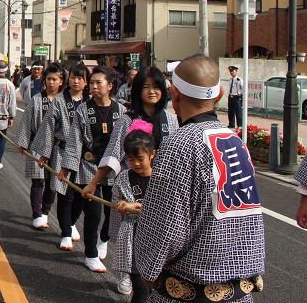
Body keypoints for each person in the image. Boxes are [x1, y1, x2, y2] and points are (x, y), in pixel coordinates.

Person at [135, 55, 265, 302]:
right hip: (240, 287)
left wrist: (149, 269)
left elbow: (164, 224)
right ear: (218, 95)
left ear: (174, 93)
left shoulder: (180, 144)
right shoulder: (237, 142)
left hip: (191, 288)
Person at [60, 65, 122, 273]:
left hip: (114, 168)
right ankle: (90, 255)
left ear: (110, 86)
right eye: (92, 82)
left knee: (113, 211)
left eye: (99, 82)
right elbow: (74, 141)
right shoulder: (83, 110)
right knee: (93, 212)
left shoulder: (121, 111)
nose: (94, 86)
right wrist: (67, 167)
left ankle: (104, 239)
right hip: (89, 165)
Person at [81, 66, 179, 197]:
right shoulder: (127, 119)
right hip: (131, 187)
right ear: (138, 90)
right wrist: (93, 183)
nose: (151, 91)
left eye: (156, 87)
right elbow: (113, 154)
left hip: (163, 187)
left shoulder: (171, 120)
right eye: (146, 87)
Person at [32, 63, 90, 251]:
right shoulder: (59, 100)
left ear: (86, 82)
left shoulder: (90, 102)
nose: (76, 81)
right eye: (73, 77)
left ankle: (71, 222)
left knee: (82, 194)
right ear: (68, 80)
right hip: (62, 150)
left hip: (86, 157)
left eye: (80, 78)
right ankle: (65, 232)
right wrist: (44, 153)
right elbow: (48, 126)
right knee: (64, 193)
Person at [15, 63, 64, 230]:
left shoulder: (65, 101)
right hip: (37, 144)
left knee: (53, 183)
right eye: (48, 79)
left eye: (54, 79)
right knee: (38, 181)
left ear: (61, 81)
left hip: (57, 147)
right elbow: (27, 122)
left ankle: (45, 211)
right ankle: (37, 213)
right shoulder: (37, 99)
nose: (51, 82)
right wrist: (23, 143)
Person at [111, 125, 156, 302]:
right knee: (140, 288)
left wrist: (135, 206)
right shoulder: (124, 177)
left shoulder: (162, 178)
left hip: (157, 239)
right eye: (130, 159)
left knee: (155, 289)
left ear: (152, 155)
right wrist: (120, 206)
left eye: (140, 158)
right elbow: (116, 198)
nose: (136, 163)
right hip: (133, 237)